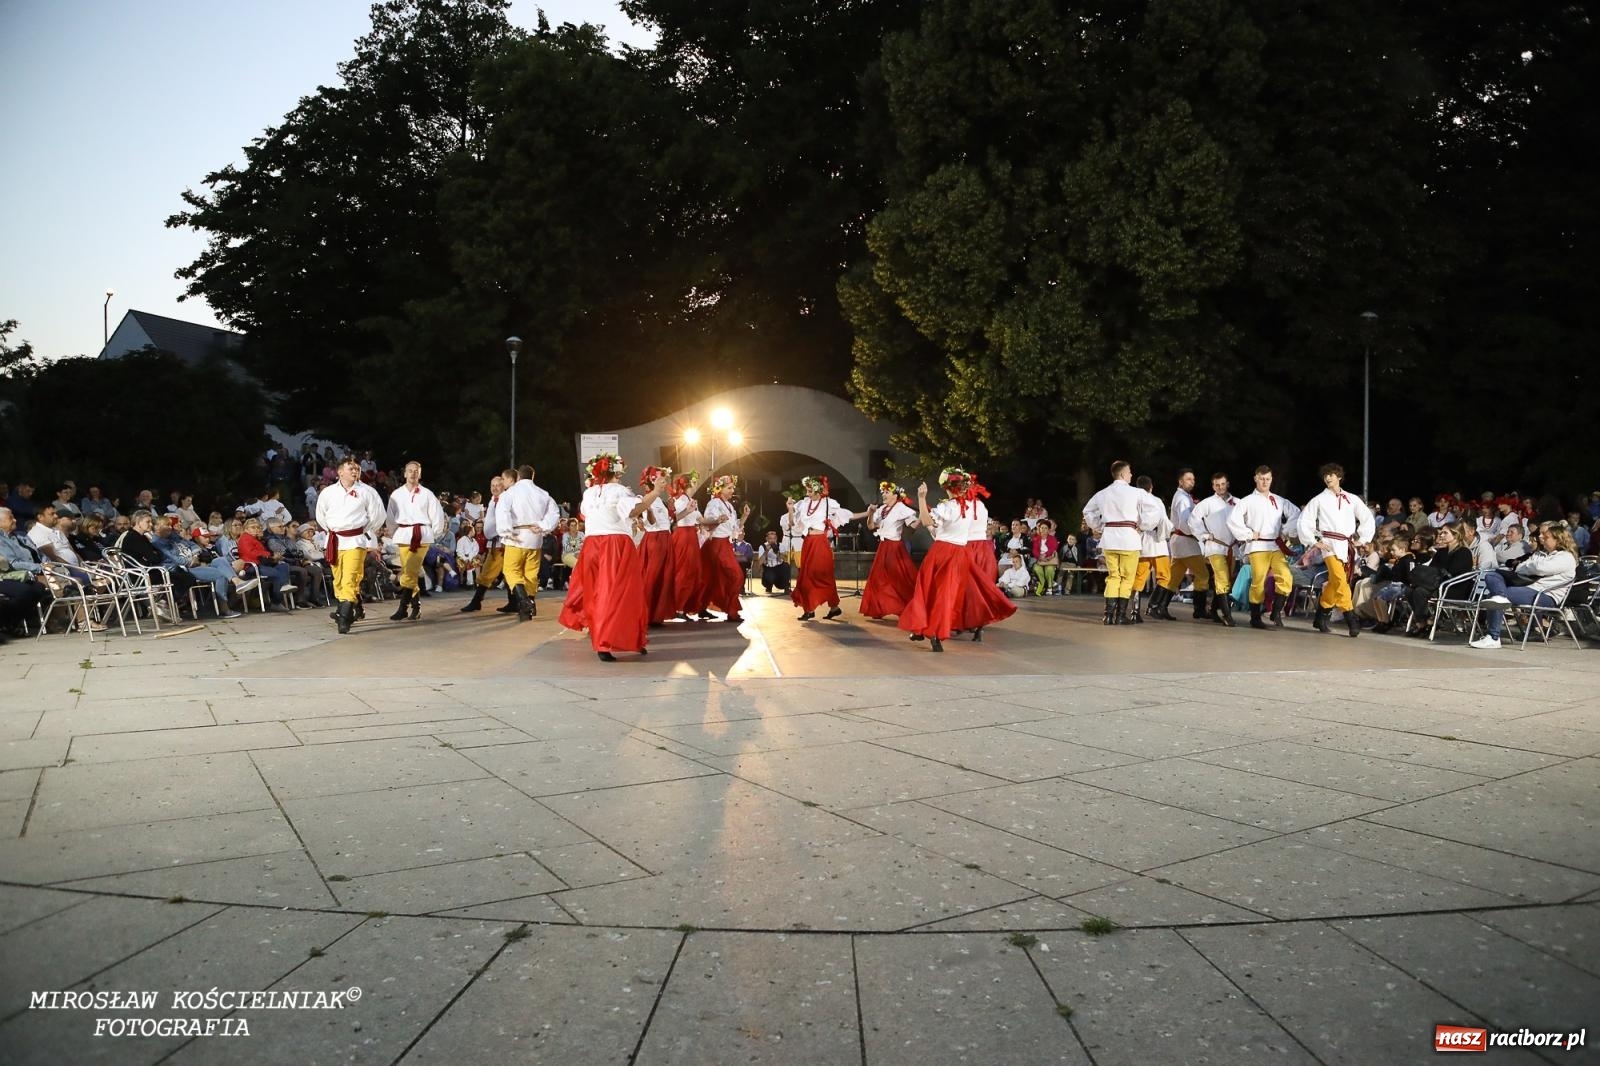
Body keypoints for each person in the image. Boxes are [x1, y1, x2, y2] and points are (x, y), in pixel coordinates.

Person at [558, 453, 669, 661]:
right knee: (620, 594)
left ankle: (618, 638)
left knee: (596, 592)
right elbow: (634, 510)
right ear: (616, 473)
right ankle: (609, 641)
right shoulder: (619, 491)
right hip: (614, 544)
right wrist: (655, 492)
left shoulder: (589, 493)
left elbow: (585, 514)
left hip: (592, 545)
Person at [898, 474, 980, 652]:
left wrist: (921, 499)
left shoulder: (947, 507)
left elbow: (927, 521)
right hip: (961, 553)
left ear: (947, 487)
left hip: (943, 552)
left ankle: (929, 630)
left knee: (927, 590)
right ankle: (925, 630)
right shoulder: (971, 506)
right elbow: (944, 529)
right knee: (946, 594)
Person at [1470, 522, 1581, 649]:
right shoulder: (1540, 554)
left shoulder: (1566, 557)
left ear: (1558, 540)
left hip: (1546, 595)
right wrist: (1531, 567)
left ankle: (1493, 637)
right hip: (1528, 588)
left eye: (1546, 537)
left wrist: (1530, 566)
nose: (1542, 538)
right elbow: (1519, 568)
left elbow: (1540, 568)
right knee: (1492, 575)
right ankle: (1499, 601)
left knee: (1493, 596)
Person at [1081, 460, 1165, 625]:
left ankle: (1108, 615)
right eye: (1129, 472)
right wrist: (1144, 525)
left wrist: (1098, 526)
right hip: (1129, 539)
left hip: (1110, 539)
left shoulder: (1103, 493)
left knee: (1113, 576)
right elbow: (1155, 510)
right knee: (1127, 577)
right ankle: (1120, 615)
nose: (1131, 474)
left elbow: (1087, 511)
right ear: (1122, 474)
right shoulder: (1137, 492)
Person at [1297, 462, 1376, 637]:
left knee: (1335, 582)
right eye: (1325, 476)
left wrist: (1362, 539)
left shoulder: (1351, 499)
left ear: (1339, 476)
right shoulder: (1319, 499)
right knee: (1340, 579)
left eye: (1331, 475)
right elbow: (1305, 520)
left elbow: (1367, 518)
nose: (1327, 478)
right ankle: (1351, 618)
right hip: (1329, 544)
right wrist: (1314, 541)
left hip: (1346, 545)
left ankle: (1321, 616)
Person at [314, 456, 386, 634]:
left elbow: (378, 515)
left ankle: (344, 617)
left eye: (357, 468)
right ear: (340, 472)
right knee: (338, 578)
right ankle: (348, 608)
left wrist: (363, 530)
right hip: (335, 540)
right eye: (350, 468)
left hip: (355, 541)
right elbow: (320, 516)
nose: (355, 471)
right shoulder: (328, 492)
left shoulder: (367, 491)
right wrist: (332, 530)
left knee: (350, 577)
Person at [1227, 466, 1302, 630]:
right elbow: (1233, 520)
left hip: (1275, 545)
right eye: (1261, 479)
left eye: (1267, 479)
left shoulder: (1279, 500)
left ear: (1271, 479)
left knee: (1285, 577)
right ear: (1255, 479)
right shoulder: (1247, 501)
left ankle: (1275, 611)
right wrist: (1248, 534)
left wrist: (1286, 530)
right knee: (1258, 581)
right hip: (1258, 546)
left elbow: (1296, 513)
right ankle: (1255, 618)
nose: (1265, 482)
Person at [787, 475, 862, 622]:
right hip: (808, 542)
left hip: (820, 542)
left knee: (822, 575)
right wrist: (790, 509)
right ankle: (810, 609)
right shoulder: (804, 504)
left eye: (810, 490)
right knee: (806, 576)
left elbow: (847, 515)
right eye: (807, 490)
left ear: (818, 490)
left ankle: (832, 607)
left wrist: (868, 513)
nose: (807, 493)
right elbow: (792, 523)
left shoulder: (828, 503)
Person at [384, 460, 448, 621]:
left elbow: (437, 514)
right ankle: (416, 606)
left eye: (416, 471)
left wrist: (434, 533)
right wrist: (394, 532)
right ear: (405, 473)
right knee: (409, 571)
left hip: (421, 534)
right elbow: (390, 516)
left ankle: (403, 607)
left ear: (420, 474)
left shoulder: (427, 494)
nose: (413, 473)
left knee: (410, 571)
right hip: (404, 534)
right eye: (410, 470)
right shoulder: (397, 494)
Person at [499, 464, 561, 622]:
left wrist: (506, 531)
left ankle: (524, 600)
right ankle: (529, 605)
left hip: (516, 536)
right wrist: (543, 526)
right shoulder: (543, 493)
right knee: (531, 573)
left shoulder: (510, 492)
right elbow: (554, 513)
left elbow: (503, 511)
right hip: (534, 538)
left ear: (518, 476)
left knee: (511, 570)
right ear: (532, 477)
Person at [1156, 468, 1209, 621]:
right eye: (1188, 479)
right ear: (1180, 481)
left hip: (1180, 542)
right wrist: (1200, 534)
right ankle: (1199, 609)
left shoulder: (1183, 497)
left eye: (1193, 479)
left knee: (1174, 577)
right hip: (1186, 542)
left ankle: (1160, 607)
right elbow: (1185, 523)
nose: (1192, 482)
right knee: (1203, 575)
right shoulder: (1183, 499)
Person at [860, 481, 919, 619]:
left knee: (900, 578)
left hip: (895, 547)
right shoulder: (882, 509)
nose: (883, 495)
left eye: (887, 492)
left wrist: (922, 516)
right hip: (883, 547)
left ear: (895, 495)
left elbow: (913, 525)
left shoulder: (901, 508)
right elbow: (871, 526)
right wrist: (871, 513)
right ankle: (878, 608)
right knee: (878, 578)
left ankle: (909, 606)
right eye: (883, 492)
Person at [1403, 522, 1474, 636]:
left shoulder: (1464, 552)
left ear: (1456, 535)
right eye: (1441, 533)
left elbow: (1454, 573)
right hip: (1438, 584)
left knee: (1420, 592)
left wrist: (1437, 576)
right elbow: (1432, 569)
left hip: (1454, 589)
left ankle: (1427, 622)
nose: (1441, 535)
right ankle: (1424, 621)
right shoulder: (1442, 551)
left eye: (1445, 533)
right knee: (1409, 591)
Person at [699, 475, 752, 623]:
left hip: (725, 544)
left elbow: (735, 528)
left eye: (732, 488)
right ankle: (731, 611)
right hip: (716, 544)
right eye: (729, 488)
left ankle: (704, 607)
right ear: (720, 489)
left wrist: (745, 516)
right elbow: (707, 523)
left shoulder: (729, 506)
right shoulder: (714, 503)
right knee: (736, 576)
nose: (732, 490)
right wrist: (717, 520)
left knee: (714, 578)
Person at [460, 475, 511, 614]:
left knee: (500, 572)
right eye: (492, 485)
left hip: (502, 543)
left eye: (498, 485)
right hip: (495, 543)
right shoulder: (494, 500)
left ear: (503, 486)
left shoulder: (506, 500)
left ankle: (477, 601)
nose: (495, 488)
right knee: (495, 572)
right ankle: (511, 602)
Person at [635, 466, 677, 626]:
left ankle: (656, 614)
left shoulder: (659, 499)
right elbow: (650, 522)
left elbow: (666, 521)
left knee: (663, 577)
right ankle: (645, 613)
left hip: (665, 538)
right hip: (655, 539)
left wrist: (671, 510)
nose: (665, 483)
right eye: (662, 480)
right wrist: (650, 511)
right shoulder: (648, 498)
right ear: (653, 481)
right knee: (652, 577)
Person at [1130, 475, 1173, 623]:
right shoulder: (1156, 501)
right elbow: (1164, 521)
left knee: (1139, 578)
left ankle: (1135, 612)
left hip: (1142, 543)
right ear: (1151, 487)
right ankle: (1152, 606)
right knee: (1165, 577)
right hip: (1158, 543)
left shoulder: (1133, 501)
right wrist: (1165, 534)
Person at [669, 471, 705, 619]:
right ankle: (678, 607)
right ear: (690, 483)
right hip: (684, 536)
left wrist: (718, 521)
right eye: (695, 481)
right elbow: (674, 518)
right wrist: (687, 510)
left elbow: (702, 520)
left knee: (693, 571)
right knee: (684, 571)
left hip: (691, 536)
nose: (696, 484)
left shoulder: (691, 500)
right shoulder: (681, 500)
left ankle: (685, 605)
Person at [757, 529, 790, 594]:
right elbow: (760, 562)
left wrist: (777, 553)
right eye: (770, 539)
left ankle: (785, 586)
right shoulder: (762, 546)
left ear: (776, 538)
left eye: (774, 538)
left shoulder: (781, 545)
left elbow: (785, 559)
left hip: (779, 568)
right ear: (767, 539)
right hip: (769, 568)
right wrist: (766, 551)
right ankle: (769, 586)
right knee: (769, 576)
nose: (772, 540)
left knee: (786, 566)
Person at [1031, 519, 1059, 597]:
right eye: (1042, 528)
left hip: (1049, 559)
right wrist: (1040, 557)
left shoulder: (1052, 538)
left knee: (1049, 569)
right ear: (1039, 529)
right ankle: (1042, 584)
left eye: (1045, 528)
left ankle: (1049, 587)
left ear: (1048, 530)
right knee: (1037, 569)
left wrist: (1045, 555)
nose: (1043, 530)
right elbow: (1034, 550)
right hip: (1040, 560)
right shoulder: (1036, 539)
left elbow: (1053, 548)